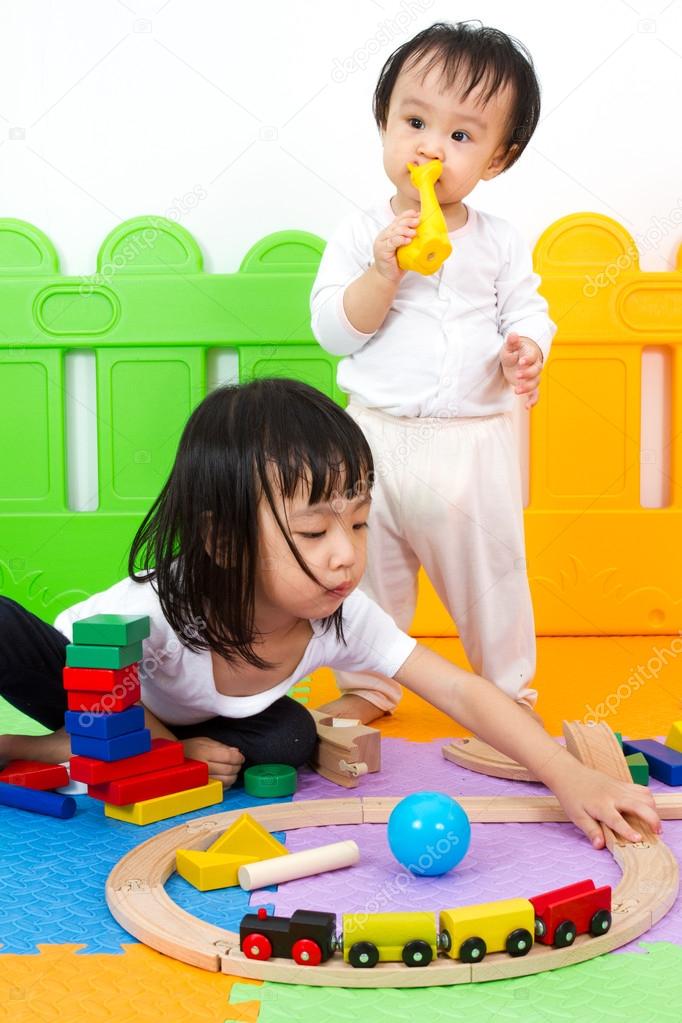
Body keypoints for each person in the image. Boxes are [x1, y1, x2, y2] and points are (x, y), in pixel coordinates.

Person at [0, 378, 658, 850]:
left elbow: (455, 686)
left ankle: (139, 751)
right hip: (89, 685)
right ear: (223, 541)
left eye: (361, 521)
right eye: (314, 532)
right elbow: (94, 666)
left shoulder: (342, 614)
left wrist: (568, 774)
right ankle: (32, 748)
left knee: (292, 738)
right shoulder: (164, 607)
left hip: (204, 715)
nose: (347, 555)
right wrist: (169, 748)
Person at [311, 21, 554, 721]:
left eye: (461, 135)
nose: (430, 146)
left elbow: (528, 310)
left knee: (494, 575)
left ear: (498, 157)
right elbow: (335, 329)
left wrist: (526, 348)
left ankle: (509, 695)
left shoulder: (498, 242)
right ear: (385, 123)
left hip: (471, 446)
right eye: (415, 121)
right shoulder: (363, 233)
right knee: (361, 574)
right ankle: (366, 690)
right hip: (373, 441)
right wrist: (381, 273)